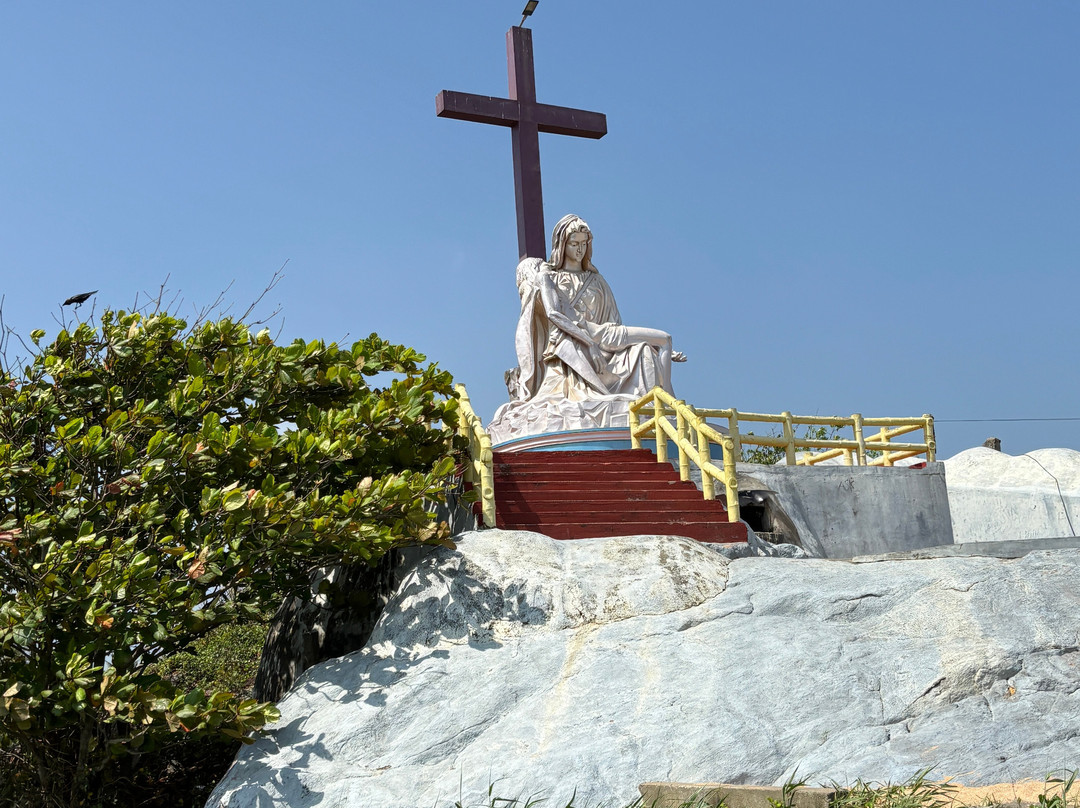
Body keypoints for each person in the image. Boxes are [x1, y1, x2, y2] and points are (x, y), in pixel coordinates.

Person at [509, 214, 685, 404]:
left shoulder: (597, 281)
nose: (579, 249)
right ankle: (668, 402)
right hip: (583, 340)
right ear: (562, 245)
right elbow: (552, 316)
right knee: (661, 340)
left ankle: (666, 404)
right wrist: (590, 344)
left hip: (607, 337)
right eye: (574, 244)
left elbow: (613, 321)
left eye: (583, 244)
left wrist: (649, 343)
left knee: (645, 350)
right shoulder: (550, 279)